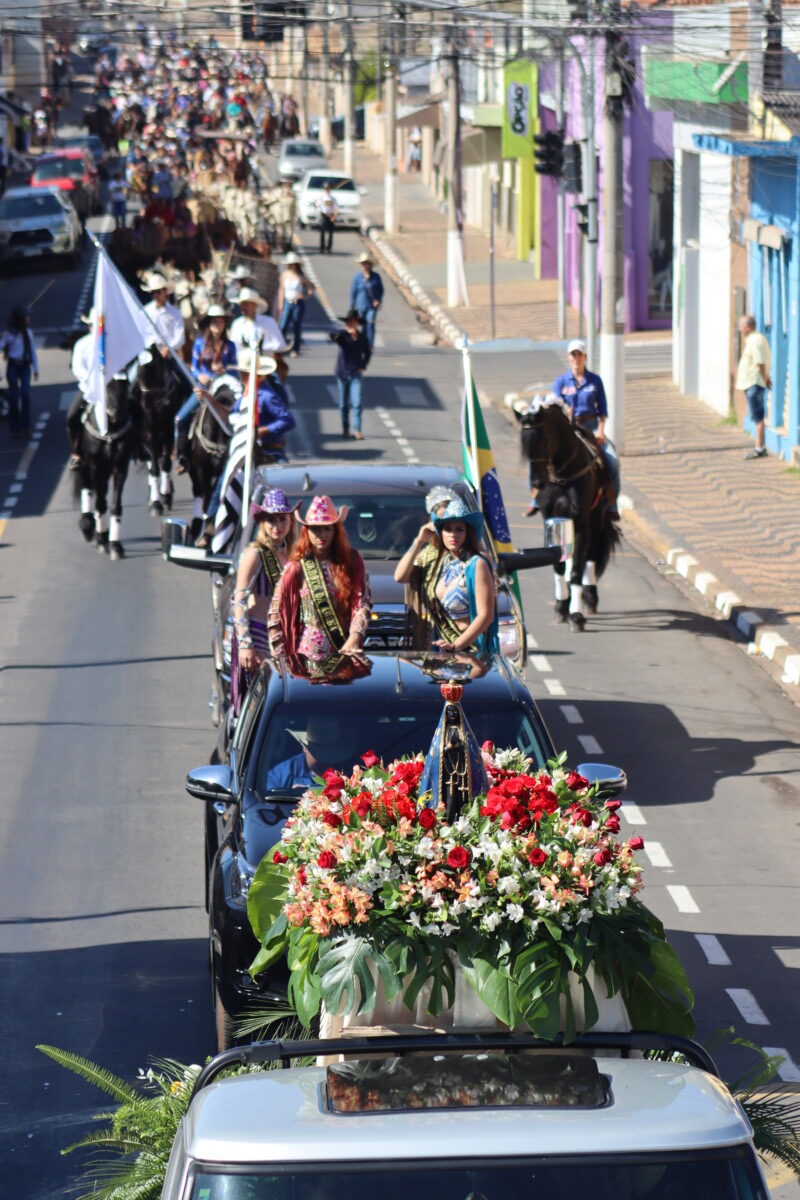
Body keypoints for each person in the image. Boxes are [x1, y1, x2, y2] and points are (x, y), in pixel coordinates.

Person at [268, 495, 371, 678]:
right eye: (315, 529)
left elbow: (361, 602)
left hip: (345, 651)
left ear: (335, 531)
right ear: (306, 531)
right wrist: (282, 660)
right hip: (307, 657)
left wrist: (355, 637)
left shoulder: (352, 561)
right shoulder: (296, 567)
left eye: (327, 529)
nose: (322, 535)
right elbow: (276, 615)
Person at [394, 497, 497, 657]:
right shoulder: (441, 562)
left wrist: (456, 646)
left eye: (459, 529)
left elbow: (486, 616)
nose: (453, 534)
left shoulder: (477, 563)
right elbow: (400, 577)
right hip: (442, 650)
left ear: (468, 532)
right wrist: (419, 541)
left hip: (470, 650)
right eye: (447, 529)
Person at [230, 487, 297, 714]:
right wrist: (245, 645)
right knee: (259, 704)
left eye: (282, 519)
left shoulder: (294, 554)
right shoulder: (256, 553)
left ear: (290, 520)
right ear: (262, 522)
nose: (277, 526)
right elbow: (239, 599)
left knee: (286, 701)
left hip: (287, 640)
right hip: (259, 637)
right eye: (271, 520)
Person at [551, 339, 620, 517]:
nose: (576, 358)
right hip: (569, 428)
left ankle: (611, 503)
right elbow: (556, 404)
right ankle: (537, 496)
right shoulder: (560, 382)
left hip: (591, 426)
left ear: (585, 357)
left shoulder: (595, 380)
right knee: (543, 455)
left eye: (579, 354)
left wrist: (601, 431)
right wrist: (565, 410)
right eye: (573, 355)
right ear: (568, 357)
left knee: (612, 459)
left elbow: (602, 409)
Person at [174, 305, 237, 473]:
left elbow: (235, 368)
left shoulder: (230, 346)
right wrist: (201, 375)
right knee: (180, 419)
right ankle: (181, 456)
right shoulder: (199, 343)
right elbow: (194, 367)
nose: (218, 325)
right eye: (214, 321)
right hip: (203, 388)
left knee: (238, 416)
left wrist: (225, 370)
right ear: (209, 324)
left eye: (221, 322)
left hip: (223, 387)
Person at [264, 716, 346, 792]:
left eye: (330, 752)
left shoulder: (348, 770)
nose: (325, 759)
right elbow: (267, 794)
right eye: (318, 753)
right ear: (305, 748)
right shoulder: (280, 775)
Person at [330, 309, 371, 440]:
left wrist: (363, 365)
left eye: (353, 322)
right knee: (343, 404)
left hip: (355, 374)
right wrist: (344, 332)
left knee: (357, 403)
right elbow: (333, 335)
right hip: (342, 373)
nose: (350, 324)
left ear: (357, 323)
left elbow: (367, 352)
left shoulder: (362, 338)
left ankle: (357, 430)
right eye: (348, 322)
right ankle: (345, 429)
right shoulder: (342, 336)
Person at [736, 314, 772, 460]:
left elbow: (760, 362)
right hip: (751, 383)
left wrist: (766, 379)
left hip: (754, 383)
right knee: (757, 416)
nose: (740, 329)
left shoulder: (756, 340)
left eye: (741, 326)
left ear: (749, 326)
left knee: (758, 416)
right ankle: (759, 446)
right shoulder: (752, 339)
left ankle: (759, 448)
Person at [0, 305, 38, 439]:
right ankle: (15, 428)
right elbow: (1, 345)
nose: (28, 319)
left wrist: (36, 369)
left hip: (25, 367)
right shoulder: (10, 335)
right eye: (26, 317)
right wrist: (5, 339)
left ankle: (26, 426)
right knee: (14, 398)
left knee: (25, 395)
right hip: (13, 366)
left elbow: (32, 352)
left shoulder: (28, 333)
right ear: (20, 320)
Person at [229, 287, 288, 357]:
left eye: (246, 304)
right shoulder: (237, 324)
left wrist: (261, 348)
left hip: (264, 360)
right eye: (242, 304)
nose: (243, 307)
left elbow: (281, 345)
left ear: (254, 305)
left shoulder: (268, 322)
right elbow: (233, 346)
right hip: (243, 361)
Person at [278, 252, 315, 357]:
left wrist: (305, 295)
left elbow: (312, 287)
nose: (290, 266)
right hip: (287, 301)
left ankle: (296, 349)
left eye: (292, 264)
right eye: (289, 264)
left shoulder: (300, 276)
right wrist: (280, 303)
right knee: (283, 325)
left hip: (297, 302)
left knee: (296, 326)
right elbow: (281, 290)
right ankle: (281, 347)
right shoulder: (284, 275)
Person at [141, 271, 186, 357]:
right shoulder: (145, 312)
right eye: (153, 292)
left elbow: (180, 337)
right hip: (150, 355)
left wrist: (168, 348)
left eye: (158, 291)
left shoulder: (175, 313)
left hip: (170, 355)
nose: (155, 295)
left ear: (165, 291)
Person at [348, 252, 384, 349]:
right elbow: (353, 292)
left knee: (370, 323)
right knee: (363, 326)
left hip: (372, 306)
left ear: (370, 265)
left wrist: (378, 300)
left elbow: (381, 290)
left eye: (364, 263)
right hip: (361, 306)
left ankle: (370, 345)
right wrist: (352, 306)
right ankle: (363, 344)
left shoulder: (376, 277)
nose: (362, 265)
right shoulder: (357, 277)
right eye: (361, 263)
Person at [315, 181, 338, 255]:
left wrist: (334, 216)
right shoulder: (321, 197)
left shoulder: (333, 199)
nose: (327, 190)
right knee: (322, 232)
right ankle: (322, 248)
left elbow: (336, 208)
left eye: (328, 188)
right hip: (324, 215)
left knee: (330, 233)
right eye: (326, 188)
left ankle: (329, 248)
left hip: (331, 216)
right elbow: (317, 205)